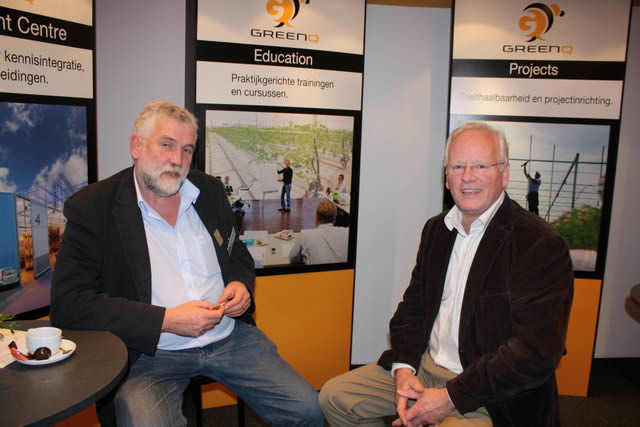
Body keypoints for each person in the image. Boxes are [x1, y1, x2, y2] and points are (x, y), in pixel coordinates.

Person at [50, 100, 323, 427]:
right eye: (166, 145)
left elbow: (236, 252)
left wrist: (240, 284)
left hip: (230, 338)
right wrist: (166, 320)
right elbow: (69, 304)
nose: (177, 160)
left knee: (307, 409)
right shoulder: (94, 207)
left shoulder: (208, 190)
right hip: (150, 355)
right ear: (136, 146)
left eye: (187, 149)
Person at [319, 122, 573, 427]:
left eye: (481, 165)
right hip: (425, 368)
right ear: (446, 177)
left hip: (490, 393)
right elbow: (413, 307)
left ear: (504, 174)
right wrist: (404, 368)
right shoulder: (436, 230)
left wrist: (451, 397)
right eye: (457, 166)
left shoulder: (539, 244)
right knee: (334, 398)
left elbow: (534, 352)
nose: (467, 176)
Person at [289, 200, 349, 265]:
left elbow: (293, 258)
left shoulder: (305, 235)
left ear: (316, 218)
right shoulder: (347, 233)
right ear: (334, 220)